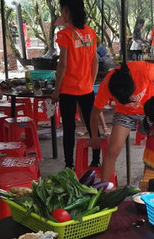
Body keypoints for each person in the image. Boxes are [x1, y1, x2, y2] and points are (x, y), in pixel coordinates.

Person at [89, 62, 154, 183]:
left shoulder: (143, 70)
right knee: (113, 149)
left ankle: (151, 179)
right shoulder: (106, 84)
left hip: (149, 108)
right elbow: (95, 113)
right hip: (124, 113)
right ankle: (103, 188)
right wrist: (94, 136)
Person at [51, 0, 98, 170]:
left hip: (68, 89)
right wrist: (90, 83)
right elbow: (95, 63)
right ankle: (96, 159)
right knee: (91, 123)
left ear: (65, 10)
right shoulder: (91, 33)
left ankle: (69, 165)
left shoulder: (65, 34)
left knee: (69, 127)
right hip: (87, 88)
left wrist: (56, 91)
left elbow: (62, 64)